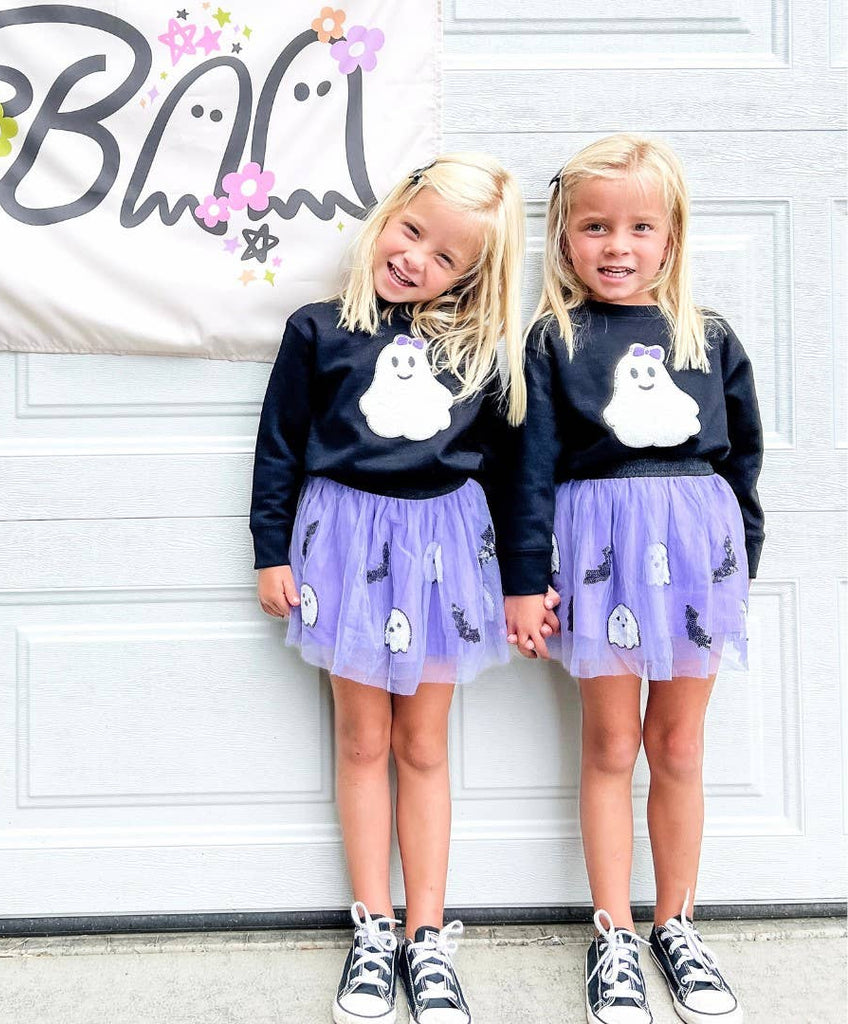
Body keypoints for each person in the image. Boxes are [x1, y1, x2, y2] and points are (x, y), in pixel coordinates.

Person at [250, 153, 531, 1024]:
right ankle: (372, 929)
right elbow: (279, 448)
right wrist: (270, 551)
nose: (415, 260)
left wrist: (525, 581)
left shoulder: (480, 355)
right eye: (412, 233)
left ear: (473, 274)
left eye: (446, 257)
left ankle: (426, 935)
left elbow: (511, 475)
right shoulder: (316, 330)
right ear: (389, 214)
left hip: (443, 553)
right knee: (362, 739)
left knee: (424, 745)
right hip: (343, 547)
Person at [500, 134, 761, 1024]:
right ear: (563, 237)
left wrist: (739, 568)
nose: (617, 246)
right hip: (598, 561)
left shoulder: (708, 337)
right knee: (612, 746)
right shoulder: (552, 340)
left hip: (696, 561)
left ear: (672, 237)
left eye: (640, 227)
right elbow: (528, 469)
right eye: (596, 227)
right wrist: (524, 579)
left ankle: (676, 924)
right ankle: (612, 935)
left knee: (678, 746)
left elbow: (742, 465)